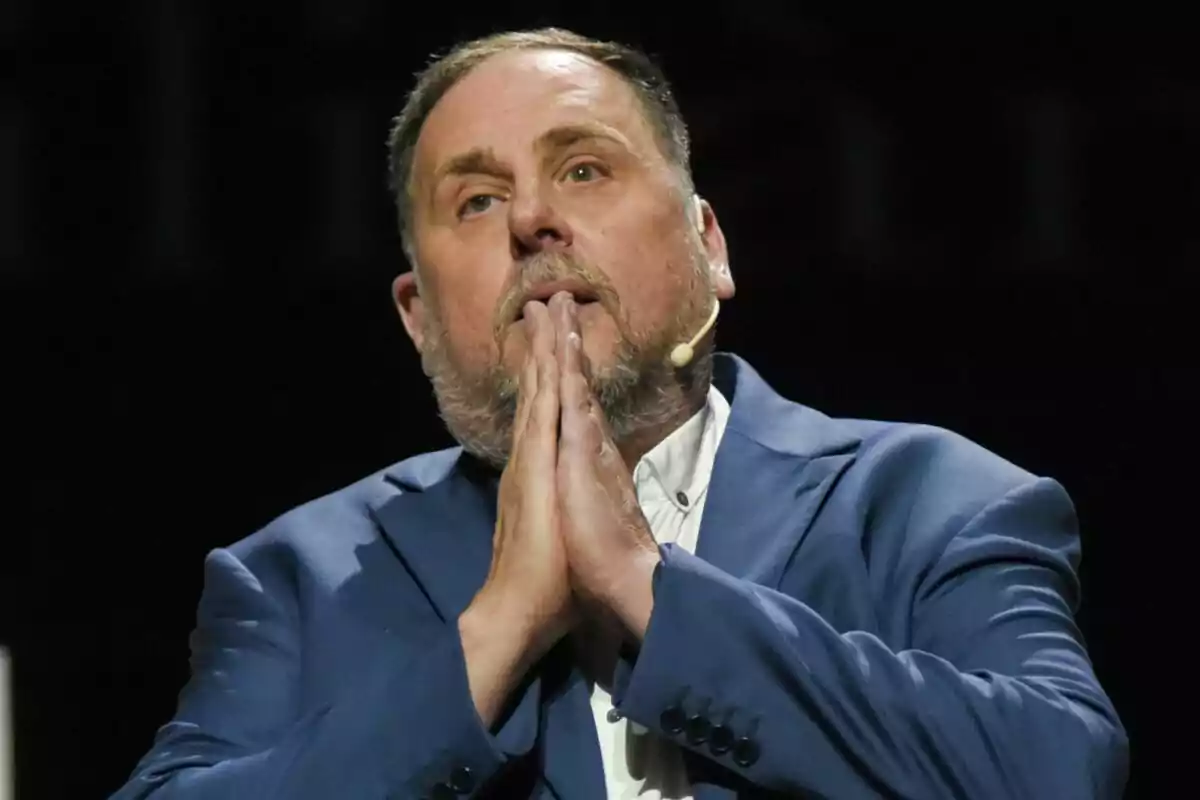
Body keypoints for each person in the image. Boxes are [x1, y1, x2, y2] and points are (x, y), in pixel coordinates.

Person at [111, 27, 1128, 800]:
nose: (530, 219)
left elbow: (1057, 768)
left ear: (709, 246)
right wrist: (497, 628)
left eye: (584, 169)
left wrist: (646, 589)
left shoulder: (932, 503)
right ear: (418, 318)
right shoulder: (298, 575)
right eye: (474, 200)